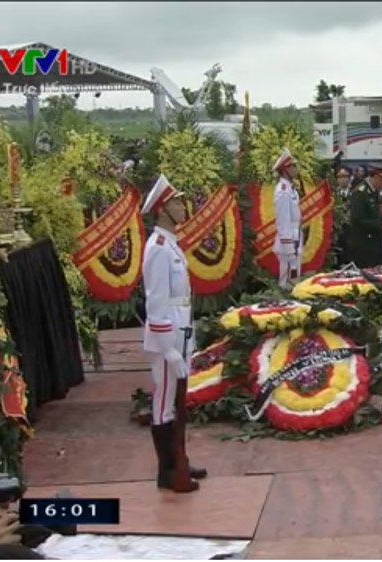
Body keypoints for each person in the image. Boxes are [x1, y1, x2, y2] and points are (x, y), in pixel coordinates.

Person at [141, 174, 206, 493]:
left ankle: (179, 460)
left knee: (177, 402)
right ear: (162, 209)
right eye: (177, 202)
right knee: (165, 403)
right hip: (166, 336)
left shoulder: (171, 245)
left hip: (180, 330)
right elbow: (156, 303)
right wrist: (168, 348)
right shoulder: (158, 248)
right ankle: (168, 471)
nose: (184, 207)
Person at [273, 149, 303, 289]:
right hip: (288, 241)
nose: (296, 169)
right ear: (285, 170)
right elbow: (283, 220)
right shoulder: (283, 190)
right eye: (293, 166)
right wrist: (289, 248)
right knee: (287, 281)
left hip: (295, 237)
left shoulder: (291, 189)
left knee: (294, 277)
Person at [348, 169, 382, 267]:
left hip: (374, 241)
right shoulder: (360, 192)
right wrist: (380, 225)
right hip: (363, 242)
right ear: (377, 178)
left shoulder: (373, 191)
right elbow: (357, 218)